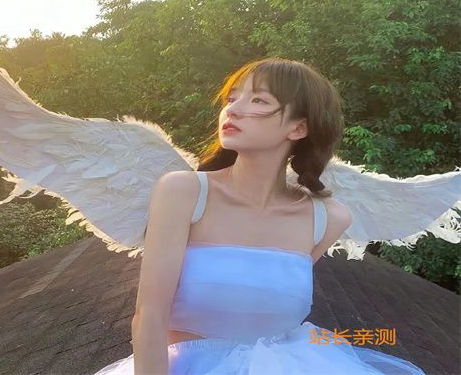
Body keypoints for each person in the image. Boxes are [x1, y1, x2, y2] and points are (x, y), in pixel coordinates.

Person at [93, 57, 426, 374]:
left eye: (258, 101)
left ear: (298, 128)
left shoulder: (329, 218)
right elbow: (149, 316)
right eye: (232, 98)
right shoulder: (184, 191)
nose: (233, 109)